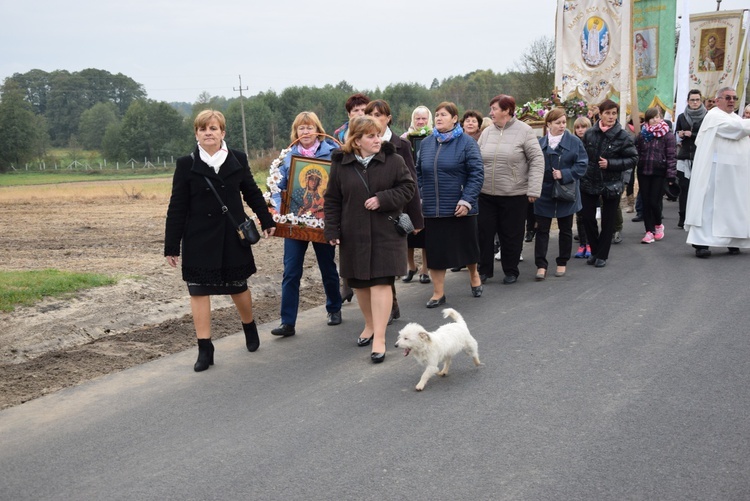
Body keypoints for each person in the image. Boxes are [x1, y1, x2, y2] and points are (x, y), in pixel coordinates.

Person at [164, 110, 276, 372]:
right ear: (196, 134)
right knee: (199, 291)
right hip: (198, 238)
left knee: (238, 287)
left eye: (213, 128)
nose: (208, 133)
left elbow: (251, 192)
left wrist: (267, 220)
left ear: (223, 132)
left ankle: (249, 326)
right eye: (203, 129)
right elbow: (177, 207)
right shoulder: (185, 164)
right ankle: (205, 348)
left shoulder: (237, 158)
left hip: (232, 235)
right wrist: (171, 245)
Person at [324, 116, 416, 363]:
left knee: (381, 283)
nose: (378, 140)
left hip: (386, 233)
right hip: (353, 233)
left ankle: (380, 338)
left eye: (378, 135)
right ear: (356, 141)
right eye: (371, 136)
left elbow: (409, 188)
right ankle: (370, 324)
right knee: (360, 284)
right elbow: (332, 199)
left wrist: (382, 199)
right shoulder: (341, 165)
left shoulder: (394, 161)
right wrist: (332, 230)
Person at [271, 111, 343, 337]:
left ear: (317, 129)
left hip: (323, 223)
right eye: (301, 128)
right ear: (296, 132)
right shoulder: (288, 157)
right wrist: (275, 206)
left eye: (309, 127)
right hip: (295, 224)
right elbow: (277, 187)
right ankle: (287, 322)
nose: (306, 132)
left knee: (327, 266)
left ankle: (334, 307)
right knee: (291, 271)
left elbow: (341, 184)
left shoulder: (332, 153)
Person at [416, 102, 484, 305]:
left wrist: (467, 200)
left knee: (467, 248)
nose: (438, 118)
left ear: (455, 119)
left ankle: (474, 276)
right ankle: (438, 293)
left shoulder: (467, 143)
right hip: (433, 209)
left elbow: (477, 174)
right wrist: (421, 194)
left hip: (459, 207)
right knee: (436, 251)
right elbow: (419, 172)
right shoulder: (427, 143)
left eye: (443, 115)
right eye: (436, 115)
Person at [364, 99, 425, 324]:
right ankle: (390, 303)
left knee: (386, 264)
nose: (375, 119)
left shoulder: (401, 145)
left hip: (392, 212)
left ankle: (389, 305)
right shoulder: (361, 143)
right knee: (376, 264)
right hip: (369, 212)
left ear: (388, 118)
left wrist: (416, 219)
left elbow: (411, 183)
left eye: (379, 115)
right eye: (370, 115)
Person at [477, 94, 544, 283]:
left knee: (511, 235)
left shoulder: (525, 131)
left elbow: (537, 160)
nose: (491, 113)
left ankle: (511, 270)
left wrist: (533, 189)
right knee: (484, 234)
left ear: (507, 111)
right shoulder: (487, 132)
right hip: (486, 194)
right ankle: (484, 270)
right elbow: (476, 159)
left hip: (514, 194)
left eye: (494, 109)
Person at [685, 87, 750, 258]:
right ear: (717, 100)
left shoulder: (736, 117)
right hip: (714, 171)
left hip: (735, 173)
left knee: (733, 207)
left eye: (734, 98)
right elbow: (736, 131)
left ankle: (733, 241)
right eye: (727, 97)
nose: (731, 101)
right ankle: (701, 242)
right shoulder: (713, 116)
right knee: (710, 208)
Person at [579, 99, 638, 267]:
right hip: (589, 181)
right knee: (588, 217)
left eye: (614, 113)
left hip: (611, 183)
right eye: (607, 113)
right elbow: (582, 156)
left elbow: (633, 158)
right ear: (600, 114)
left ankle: (602, 255)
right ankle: (595, 250)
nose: (611, 117)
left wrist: (611, 164)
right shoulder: (590, 133)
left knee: (608, 220)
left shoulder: (623, 135)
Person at [534, 108, 588, 279]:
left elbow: (582, 165)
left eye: (564, 122)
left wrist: (564, 174)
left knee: (565, 229)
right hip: (544, 192)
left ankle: (562, 262)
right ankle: (541, 265)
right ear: (548, 124)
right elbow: (533, 166)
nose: (562, 125)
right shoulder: (540, 143)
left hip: (566, 190)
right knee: (542, 230)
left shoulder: (574, 142)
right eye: (558, 122)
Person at [635, 107, 677, 244]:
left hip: (659, 172)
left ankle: (658, 225)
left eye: (657, 117)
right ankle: (649, 231)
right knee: (646, 202)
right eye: (651, 118)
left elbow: (671, 156)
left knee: (654, 201)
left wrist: (671, 175)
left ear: (661, 118)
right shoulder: (642, 134)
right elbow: (636, 151)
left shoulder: (668, 135)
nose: (654, 120)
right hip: (643, 171)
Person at [402, 105, 433, 285]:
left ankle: (425, 269)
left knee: (425, 231)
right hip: (408, 188)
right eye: (417, 118)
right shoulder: (405, 139)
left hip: (426, 188)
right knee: (408, 230)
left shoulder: (432, 137)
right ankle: (411, 266)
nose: (420, 122)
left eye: (423, 118)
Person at [674, 89, 707, 228]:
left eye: (697, 100)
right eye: (692, 100)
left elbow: (707, 134)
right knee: (684, 187)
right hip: (684, 155)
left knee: (701, 188)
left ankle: (699, 216)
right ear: (688, 101)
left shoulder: (707, 116)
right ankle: (683, 216)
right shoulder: (682, 116)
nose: (695, 102)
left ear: (701, 101)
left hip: (701, 156)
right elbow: (677, 132)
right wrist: (680, 134)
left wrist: (691, 134)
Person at [573, 116, 592, 259]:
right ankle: (582, 243)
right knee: (579, 215)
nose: (580, 130)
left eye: (583, 127)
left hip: (590, 181)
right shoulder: (573, 143)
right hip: (577, 182)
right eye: (578, 128)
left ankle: (590, 242)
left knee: (589, 214)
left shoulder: (592, 142)